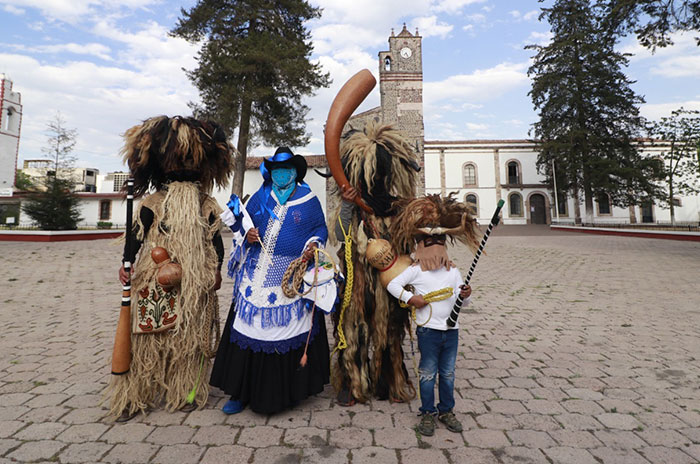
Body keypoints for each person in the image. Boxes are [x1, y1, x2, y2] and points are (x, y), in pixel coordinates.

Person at [107, 115, 234, 421]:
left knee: (189, 338)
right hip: (154, 275)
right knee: (147, 335)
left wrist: (216, 269)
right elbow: (137, 233)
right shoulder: (153, 202)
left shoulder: (206, 203)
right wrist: (127, 262)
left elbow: (215, 238)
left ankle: (185, 390)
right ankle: (134, 394)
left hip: (193, 278)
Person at [210, 147, 331, 415]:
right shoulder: (260, 197)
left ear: (295, 172)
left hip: (291, 276)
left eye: (286, 170)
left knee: (287, 333)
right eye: (277, 170)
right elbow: (243, 224)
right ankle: (240, 393)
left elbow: (319, 229)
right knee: (247, 330)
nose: (281, 174)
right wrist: (247, 236)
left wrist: (312, 245)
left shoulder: (308, 199)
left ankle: (287, 394)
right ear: (271, 173)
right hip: (255, 275)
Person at [329, 120, 421, 406]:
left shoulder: (400, 207)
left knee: (390, 329)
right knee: (353, 328)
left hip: (391, 279)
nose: (375, 180)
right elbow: (340, 236)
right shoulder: (352, 204)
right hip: (356, 278)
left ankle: (389, 381)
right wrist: (347, 203)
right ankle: (351, 383)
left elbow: (411, 242)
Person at [385, 194, 482, 436]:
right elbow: (393, 285)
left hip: (451, 331)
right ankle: (427, 413)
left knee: (448, 373)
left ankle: (446, 410)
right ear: (420, 243)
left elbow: (465, 302)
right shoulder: (415, 271)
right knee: (428, 373)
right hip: (428, 332)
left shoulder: (453, 272)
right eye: (429, 239)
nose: (434, 244)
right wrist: (411, 299)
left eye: (439, 239)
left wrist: (466, 294)